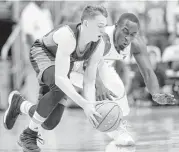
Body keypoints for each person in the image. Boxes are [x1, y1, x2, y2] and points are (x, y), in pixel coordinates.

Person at [3, 5, 108, 152]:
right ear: (86, 24)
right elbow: (60, 79)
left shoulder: (99, 44)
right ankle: (28, 135)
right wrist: (83, 104)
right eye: (100, 26)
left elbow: (89, 81)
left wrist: (90, 106)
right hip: (42, 52)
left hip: (62, 63)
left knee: (49, 123)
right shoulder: (68, 36)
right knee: (59, 87)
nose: (103, 31)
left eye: (105, 26)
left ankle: (19, 104)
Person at [94, 12, 176, 146]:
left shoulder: (136, 44)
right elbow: (87, 62)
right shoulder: (103, 38)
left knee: (120, 94)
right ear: (116, 26)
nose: (127, 38)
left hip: (101, 66)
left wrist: (156, 94)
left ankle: (117, 130)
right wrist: (99, 84)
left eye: (132, 34)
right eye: (125, 32)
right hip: (77, 64)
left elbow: (148, 72)